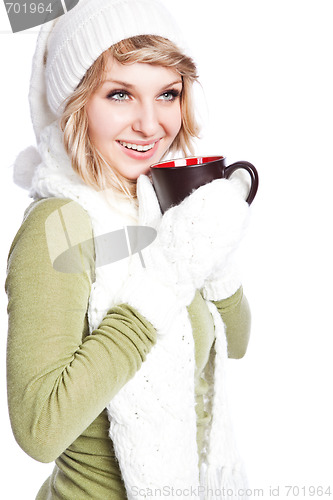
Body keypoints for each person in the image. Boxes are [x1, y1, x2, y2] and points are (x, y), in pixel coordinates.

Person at [6, 0, 252, 498]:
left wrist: (213, 242)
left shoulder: (158, 208)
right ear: (76, 104)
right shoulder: (59, 224)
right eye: (120, 94)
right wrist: (160, 285)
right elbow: (39, 430)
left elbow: (238, 342)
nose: (150, 123)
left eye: (167, 94)